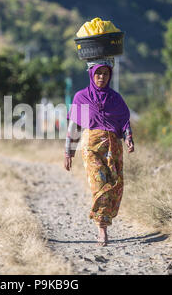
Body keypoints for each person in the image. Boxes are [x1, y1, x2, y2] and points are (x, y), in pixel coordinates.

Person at [64, 58, 134, 246]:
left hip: (114, 147)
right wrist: (68, 152)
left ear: (110, 76)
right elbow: (74, 126)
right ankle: (101, 229)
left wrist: (128, 138)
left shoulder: (115, 99)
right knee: (99, 184)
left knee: (115, 185)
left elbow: (125, 121)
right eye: (98, 73)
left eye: (105, 73)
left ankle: (104, 219)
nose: (101, 77)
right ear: (91, 74)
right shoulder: (81, 97)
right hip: (91, 147)